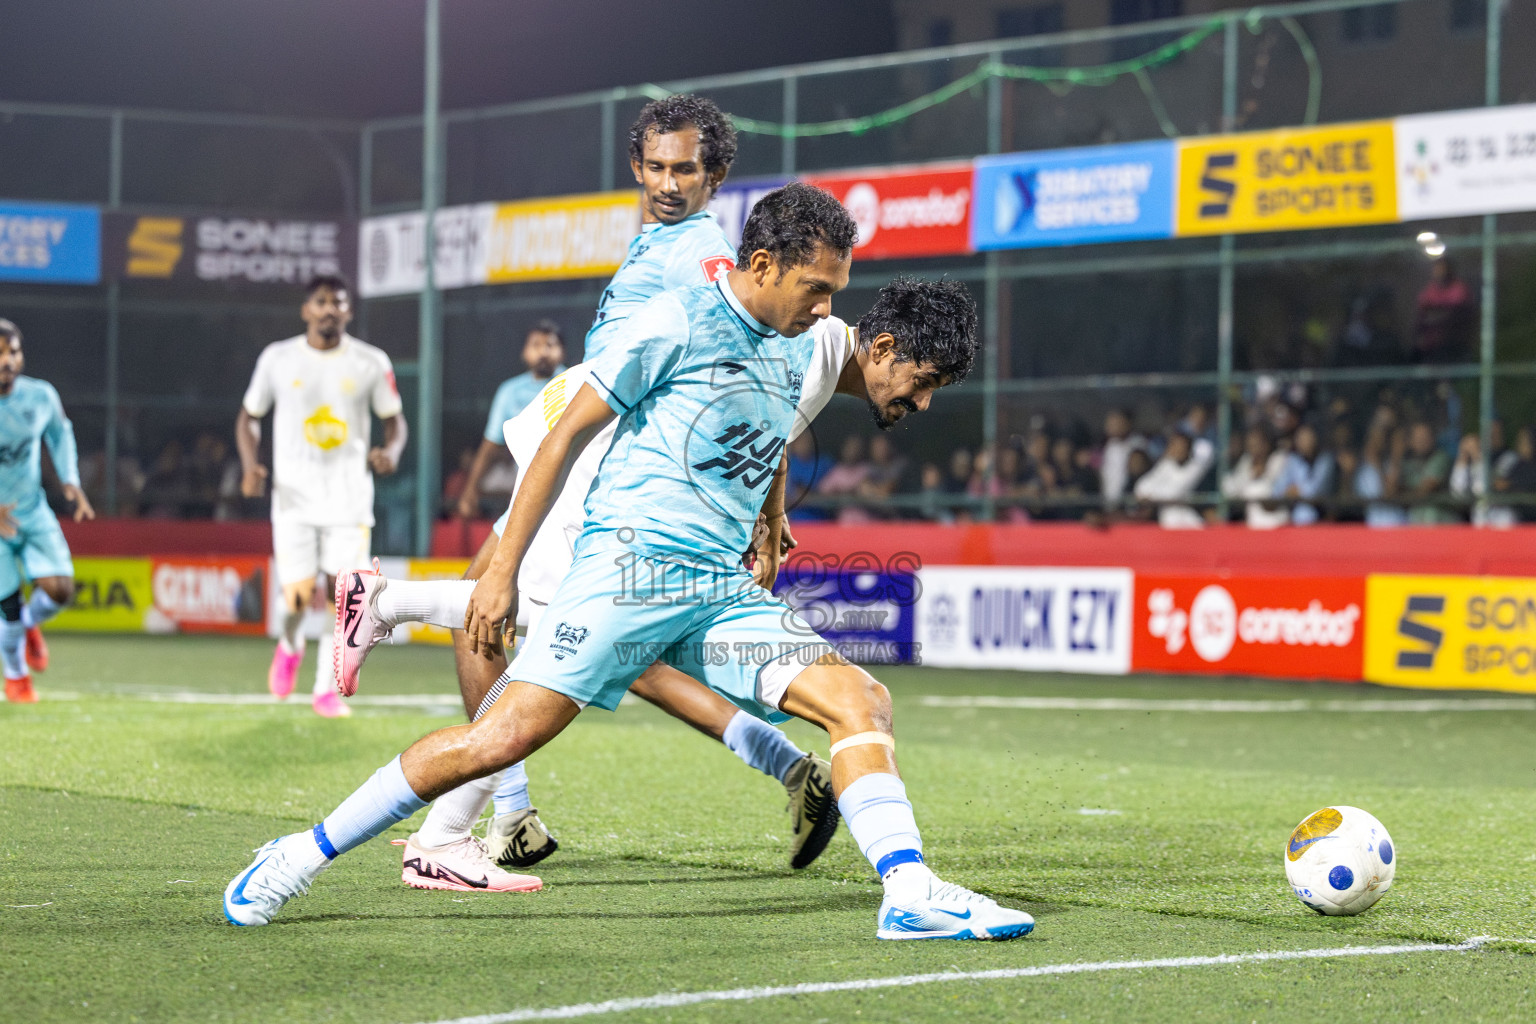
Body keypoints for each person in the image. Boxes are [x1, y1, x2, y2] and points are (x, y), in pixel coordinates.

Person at [230, 184, 1033, 942]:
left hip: (717, 589)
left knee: (861, 701)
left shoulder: (812, 341)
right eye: (818, 289)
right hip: (628, 574)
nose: (830, 309)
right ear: (762, 268)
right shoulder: (675, 324)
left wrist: (773, 511)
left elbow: (784, 418)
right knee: (499, 740)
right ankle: (298, 855)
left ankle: (910, 893)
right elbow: (563, 436)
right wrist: (503, 569)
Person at [336, 275, 982, 892]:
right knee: (554, 619)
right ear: (884, 347)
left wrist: (771, 512)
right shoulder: (801, 339)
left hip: (601, 428)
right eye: (923, 384)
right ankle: (392, 618)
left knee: (602, 638)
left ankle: (481, 814)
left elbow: (772, 429)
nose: (922, 404)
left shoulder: (806, 343)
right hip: (603, 450)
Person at [236, 275, 408, 717]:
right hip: (292, 498)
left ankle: (326, 689)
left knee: (344, 597)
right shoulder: (277, 358)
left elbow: (395, 421)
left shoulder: (370, 362)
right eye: (321, 301)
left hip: (349, 499)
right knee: (294, 599)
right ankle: (290, 642)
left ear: (349, 312)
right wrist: (250, 462)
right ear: (306, 310)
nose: (329, 309)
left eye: (338, 302)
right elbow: (249, 417)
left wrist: (390, 451)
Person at [0, 319, 95, 703]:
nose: (7, 360)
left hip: (33, 509)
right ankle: (17, 677)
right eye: (0, 353)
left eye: (13, 351)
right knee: (7, 608)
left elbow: (60, 433)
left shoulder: (40, 397)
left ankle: (27, 627)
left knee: (61, 589)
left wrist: (70, 478)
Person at [455, 321, 566, 520]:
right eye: (536, 345)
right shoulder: (510, 391)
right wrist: (470, 490)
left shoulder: (574, 382)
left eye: (550, 345)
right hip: (522, 482)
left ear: (562, 352)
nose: (543, 351)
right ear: (524, 352)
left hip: (568, 478)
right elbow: (490, 445)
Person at [1133, 431, 1213, 529]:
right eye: (1175, 445)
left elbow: (1173, 493)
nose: (1178, 449)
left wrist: (1151, 496)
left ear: (1189, 449)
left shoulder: (1196, 467)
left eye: (1182, 446)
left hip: (1190, 522)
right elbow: (1141, 487)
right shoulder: (1166, 465)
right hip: (1168, 523)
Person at [1221, 426, 1288, 529]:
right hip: (1253, 523)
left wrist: (1264, 475)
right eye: (1250, 444)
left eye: (1256, 444)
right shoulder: (1246, 462)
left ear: (1266, 445)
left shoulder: (1278, 460)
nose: (1252, 447)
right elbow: (1232, 490)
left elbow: (1275, 492)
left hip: (1277, 520)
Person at [1273, 423, 1334, 525]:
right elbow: (1277, 490)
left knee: (1305, 511)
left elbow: (1315, 491)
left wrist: (1296, 491)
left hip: (1321, 515)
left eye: (1307, 437)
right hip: (1295, 516)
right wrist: (1289, 491)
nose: (1304, 441)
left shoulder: (1325, 460)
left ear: (1315, 438)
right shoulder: (1293, 460)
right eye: (1300, 438)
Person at [1401, 420, 1454, 524]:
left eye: (1426, 437)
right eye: (1418, 438)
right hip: (1415, 523)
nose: (1422, 441)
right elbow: (1390, 489)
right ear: (1411, 441)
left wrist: (1401, 495)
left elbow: (1426, 489)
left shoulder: (1441, 458)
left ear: (1432, 439)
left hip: (1440, 523)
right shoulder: (1406, 463)